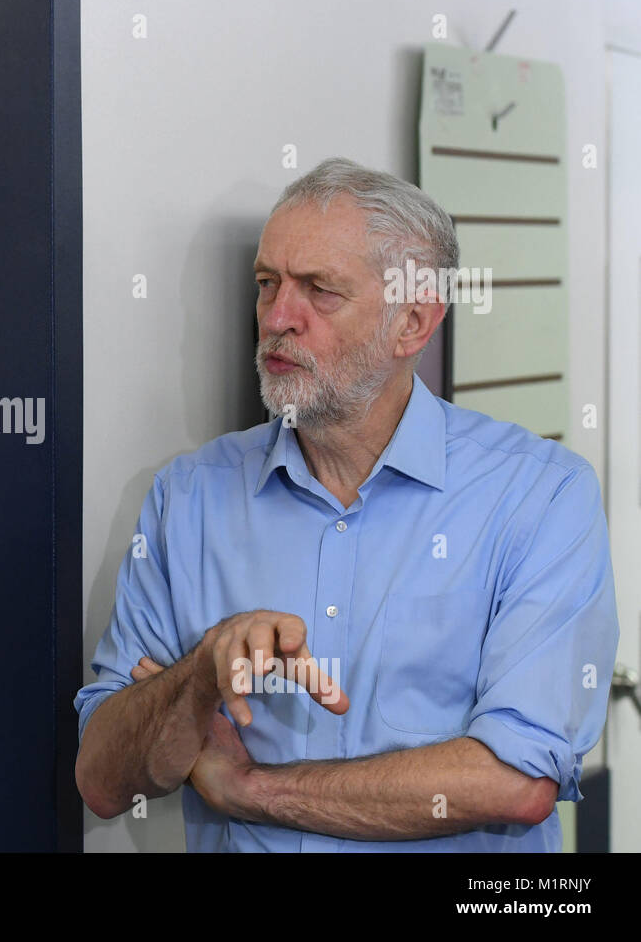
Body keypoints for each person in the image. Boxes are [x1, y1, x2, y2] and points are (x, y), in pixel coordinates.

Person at [74, 157, 619, 852]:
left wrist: (252, 789)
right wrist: (198, 674)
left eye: (319, 292)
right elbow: (101, 778)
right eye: (267, 284)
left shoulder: (541, 497)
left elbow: (514, 781)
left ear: (412, 324)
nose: (277, 318)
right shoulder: (188, 498)